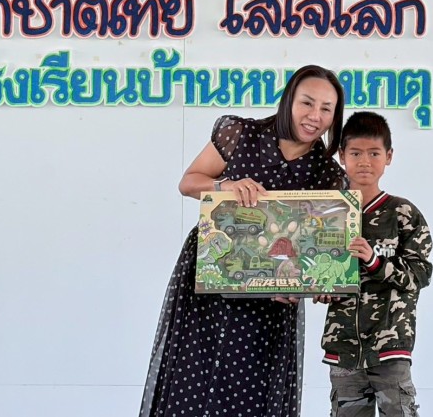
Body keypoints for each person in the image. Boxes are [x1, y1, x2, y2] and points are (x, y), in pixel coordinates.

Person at [140, 65, 348, 417]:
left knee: (252, 393)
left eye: (326, 109)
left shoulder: (327, 174)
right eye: (307, 103)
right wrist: (225, 186)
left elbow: (316, 253)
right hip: (210, 286)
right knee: (194, 381)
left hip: (269, 306)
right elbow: (188, 182)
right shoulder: (241, 134)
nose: (315, 116)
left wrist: (305, 287)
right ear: (289, 100)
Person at [315, 111, 433, 417]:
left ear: (388, 156)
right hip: (343, 348)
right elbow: (315, 267)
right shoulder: (327, 213)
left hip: (389, 345)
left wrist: (374, 261)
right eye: (355, 153)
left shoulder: (403, 213)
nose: (364, 161)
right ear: (342, 156)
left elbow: (419, 275)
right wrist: (321, 288)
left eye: (374, 153)